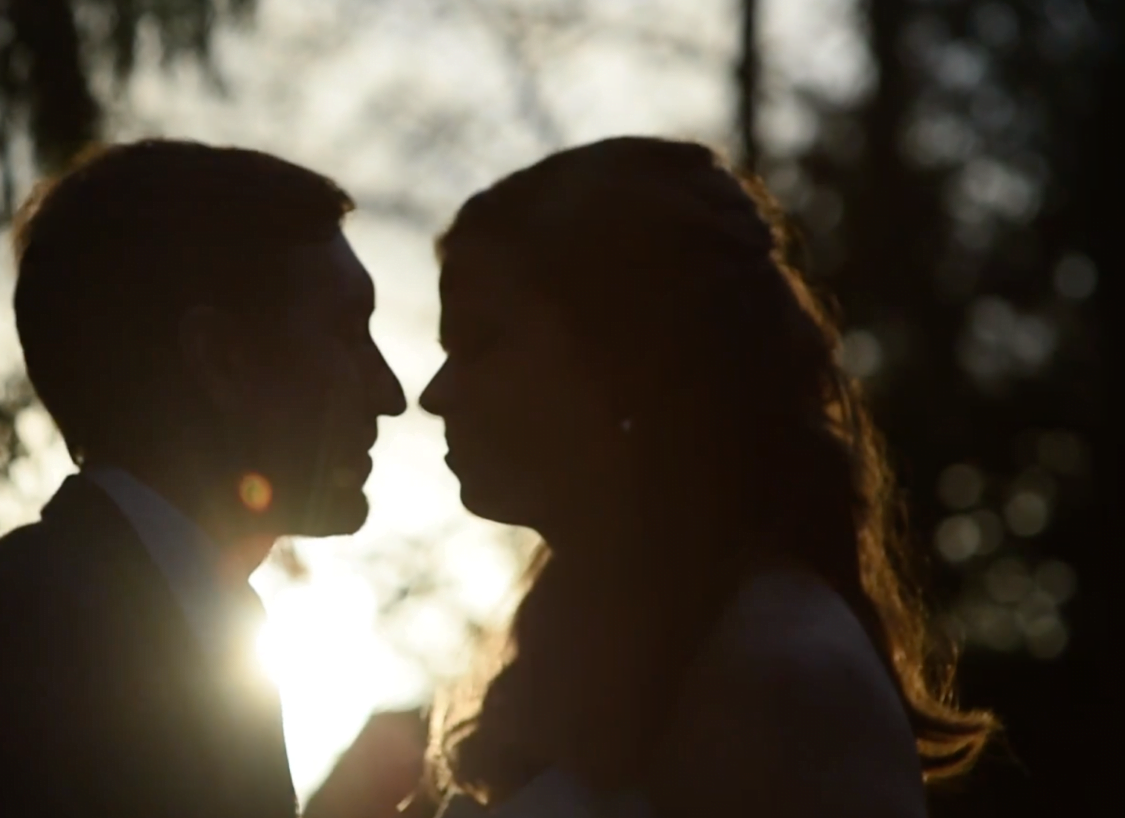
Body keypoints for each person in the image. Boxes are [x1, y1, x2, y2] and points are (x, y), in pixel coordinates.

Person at [417, 138, 997, 818]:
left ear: (634, 356)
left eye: (483, 342)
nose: (435, 394)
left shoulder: (778, 673)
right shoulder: (623, 648)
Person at [0, 139, 408, 818]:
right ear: (223, 359)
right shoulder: (40, 643)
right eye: (349, 332)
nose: (389, 390)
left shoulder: (113, 617)